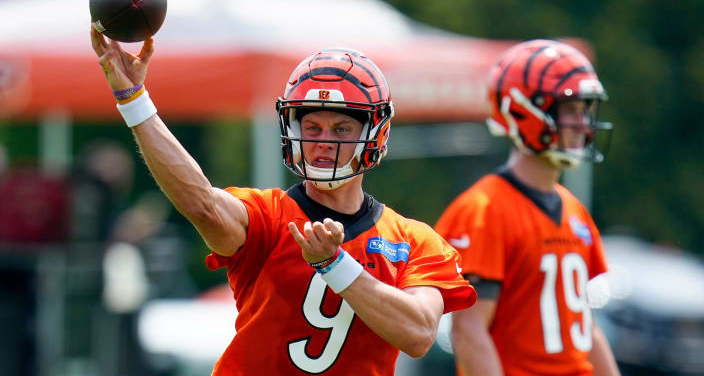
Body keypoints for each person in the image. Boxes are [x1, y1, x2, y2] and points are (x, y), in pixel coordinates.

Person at [90, 26, 476, 376]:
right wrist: (133, 100)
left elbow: (419, 332)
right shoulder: (267, 215)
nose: (323, 140)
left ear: (375, 133)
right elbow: (201, 203)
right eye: (311, 126)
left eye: (341, 128)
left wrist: (335, 265)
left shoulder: (413, 239)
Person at [434, 39, 621, 376]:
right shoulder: (485, 211)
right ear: (524, 110)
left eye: (585, 110)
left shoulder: (573, 208)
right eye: (569, 110)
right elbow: (468, 330)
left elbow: (584, 328)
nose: (582, 123)